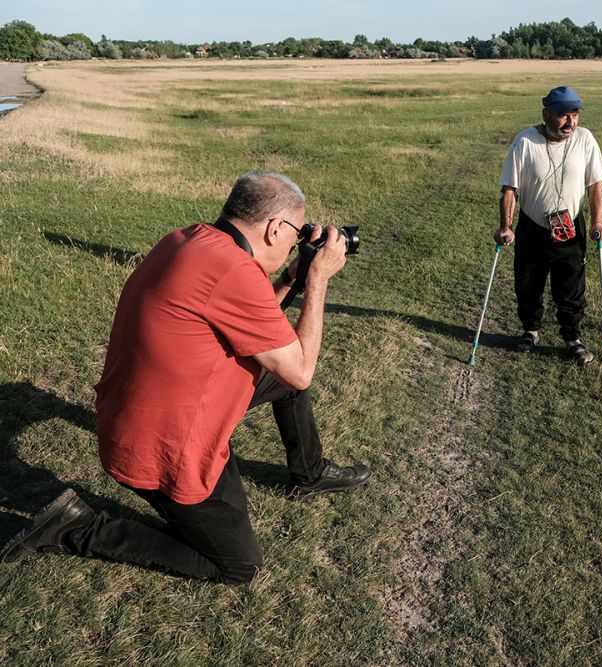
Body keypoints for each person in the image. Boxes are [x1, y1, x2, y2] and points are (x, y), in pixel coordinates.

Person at [1, 172, 370, 584]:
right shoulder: (232, 271)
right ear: (274, 229)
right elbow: (300, 370)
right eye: (297, 234)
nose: (294, 244)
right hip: (163, 445)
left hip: (140, 412)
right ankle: (77, 527)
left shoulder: (189, 241)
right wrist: (317, 280)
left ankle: (309, 474)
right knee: (238, 566)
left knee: (279, 381)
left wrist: (292, 277)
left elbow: (256, 320)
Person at [495, 85, 602, 365]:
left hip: (571, 228)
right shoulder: (525, 141)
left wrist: (598, 223)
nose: (570, 122)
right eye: (563, 115)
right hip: (533, 228)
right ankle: (530, 331)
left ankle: (572, 338)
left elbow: (596, 188)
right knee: (527, 283)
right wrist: (506, 226)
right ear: (546, 114)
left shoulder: (585, 139)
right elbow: (509, 189)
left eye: (575, 115)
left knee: (571, 287)